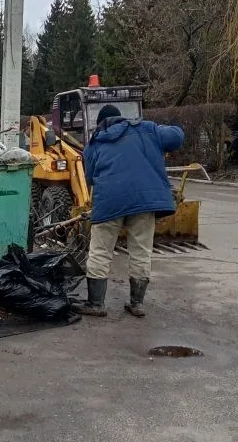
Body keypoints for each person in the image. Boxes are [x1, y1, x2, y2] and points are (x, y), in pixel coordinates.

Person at [73, 104, 185, 318]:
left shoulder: (96, 143)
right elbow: (177, 137)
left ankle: (96, 304)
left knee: (100, 250)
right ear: (121, 118)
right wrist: (164, 128)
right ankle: (137, 304)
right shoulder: (147, 129)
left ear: (101, 124)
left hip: (109, 202)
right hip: (145, 200)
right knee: (141, 250)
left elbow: (88, 179)